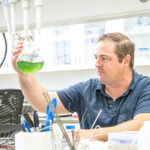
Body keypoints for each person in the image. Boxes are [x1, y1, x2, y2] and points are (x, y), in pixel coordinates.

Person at [12, 32, 150, 141]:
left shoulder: (145, 88)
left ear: (125, 61)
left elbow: (141, 126)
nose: (97, 64)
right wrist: (23, 75)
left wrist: (87, 134)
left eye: (104, 58)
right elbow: (44, 103)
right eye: (95, 57)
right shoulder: (87, 89)